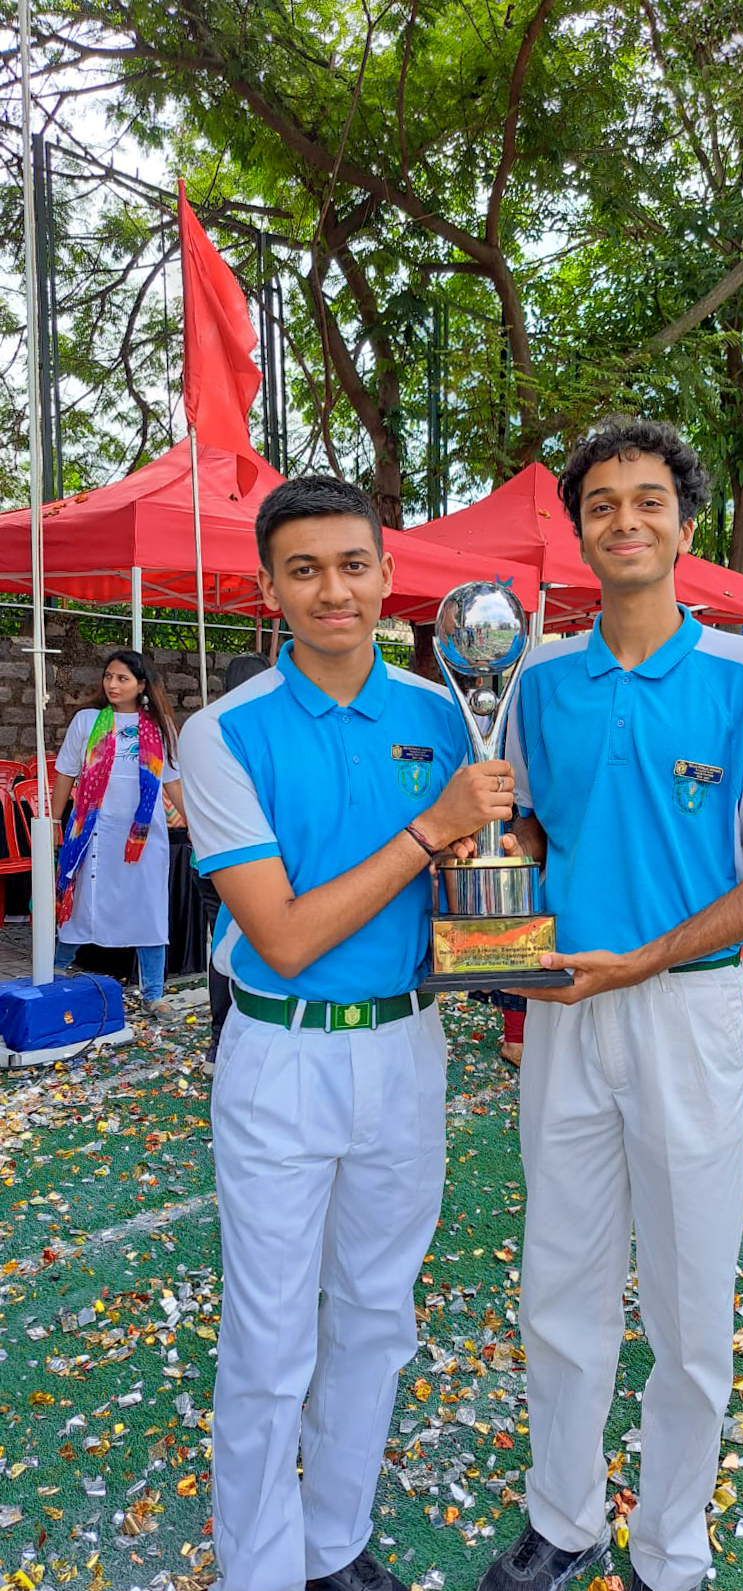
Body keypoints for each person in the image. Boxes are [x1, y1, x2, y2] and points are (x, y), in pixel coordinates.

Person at [475, 418, 743, 1591]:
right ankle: (563, 1519)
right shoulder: (533, 679)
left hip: (685, 1013)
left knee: (688, 1299)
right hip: (565, 1016)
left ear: (683, 522)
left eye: (646, 500)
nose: (624, 520)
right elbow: (523, 834)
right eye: (601, 504)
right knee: (558, 1286)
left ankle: (672, 1544)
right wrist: (490, 892)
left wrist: (645, 956)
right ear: (580, 531)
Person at [178, 475, 513, 1591]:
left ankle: (334, 1542)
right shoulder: (222, 736)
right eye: (306, 569)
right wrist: (435, 827)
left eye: (354, 565)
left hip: (410, 1047)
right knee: (271, 1342)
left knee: (376, 1316)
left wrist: (506, 890)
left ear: (385, 575)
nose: (335, 590)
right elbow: (279, 936)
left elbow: (478, 876)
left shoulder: (442, 710)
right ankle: (258, 1570)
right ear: (268, 587)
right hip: (281, 1052)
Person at [52, 649, 184, 1015]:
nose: (112, 684)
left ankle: (152, 994)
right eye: (108, 676)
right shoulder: (87, 721)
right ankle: (53, 972)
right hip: (92, 833)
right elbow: (65, 772)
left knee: (149, 908)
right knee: (79, 906)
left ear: (141, 685)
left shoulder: (159, 728)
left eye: (122, 678)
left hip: (142, 838)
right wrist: (52, 823)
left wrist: (198, 825)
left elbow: (173, 783)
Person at [192, 650, 272, 1072]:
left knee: (223, 944)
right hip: (244, 858)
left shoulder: (213, 725)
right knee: (234, 943)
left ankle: (220, 1040)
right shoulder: (249, 728)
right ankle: (224, 1039)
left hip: (210, 859)